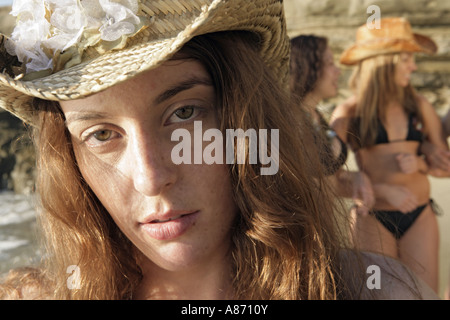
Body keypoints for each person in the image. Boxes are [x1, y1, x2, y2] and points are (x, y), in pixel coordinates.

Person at [0, 1, 438, 300]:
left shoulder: (376, 290)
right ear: (68, 156)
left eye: (185, 112)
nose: (151, 177)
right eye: (101, 134)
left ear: (245, 115)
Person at [330, 17, 448, 293]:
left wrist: (421, 160)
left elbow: (445, 167)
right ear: (385, 62)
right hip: (371, 217)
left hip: (419, 216)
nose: (414, 66)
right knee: (375, 295)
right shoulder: (349, 113)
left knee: (424, 295)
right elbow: (326, 181)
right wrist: (373, 185)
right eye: (407, 58)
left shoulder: (419, 107)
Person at [289, 35, 374, 214]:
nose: (338, 71)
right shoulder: (290, 118)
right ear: (307, 68)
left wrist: (356, 177)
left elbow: (327, 180)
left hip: (321, 230)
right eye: (330, 63)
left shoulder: (316, 116)